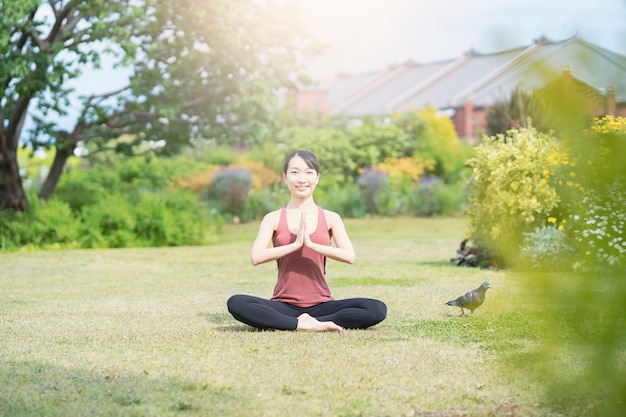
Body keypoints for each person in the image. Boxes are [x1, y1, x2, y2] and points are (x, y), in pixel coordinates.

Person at [227, 150, 387, 332]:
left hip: (322, 304)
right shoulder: (273, 218)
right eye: (295, 172)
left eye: (309, 172)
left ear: (317, 178)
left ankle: (310, 321)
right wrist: (295, 245)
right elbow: (256, 257)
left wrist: (311, 245)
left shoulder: (330, 217)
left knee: (376, 308)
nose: (302, 179)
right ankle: (300, 324)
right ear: (285, 177)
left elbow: (349, 256)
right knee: (237, 302)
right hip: (284, 305)